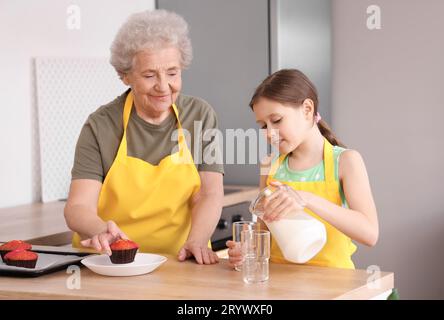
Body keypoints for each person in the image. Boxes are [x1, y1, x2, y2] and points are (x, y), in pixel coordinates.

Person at [64, 9, 224, 265]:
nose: (163, 86)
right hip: (112, 262)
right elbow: (78, 207)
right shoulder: (100, 125)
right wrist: (100, 231)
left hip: (180, 260)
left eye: (172, 73)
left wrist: (197, 240)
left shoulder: (199, 116)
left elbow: (210, 193)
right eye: (149, 75)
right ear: (125, 75)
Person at [227, 69, 379, 269]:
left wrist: (306, 199)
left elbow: (369, 233)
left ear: (307, 109)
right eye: (263, 126)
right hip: (280, 285)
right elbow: (265, 232)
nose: (269, 133)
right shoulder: (270, 165)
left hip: (334, 286)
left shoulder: (346, 161)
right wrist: (248, 249)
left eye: (277, 120)